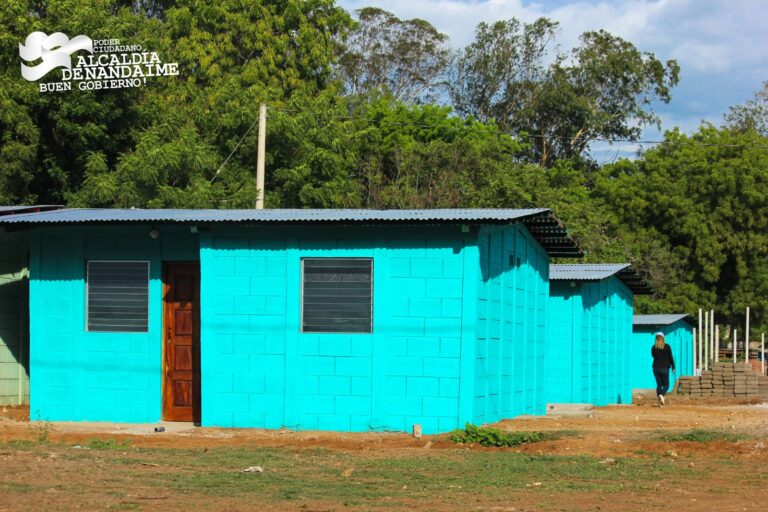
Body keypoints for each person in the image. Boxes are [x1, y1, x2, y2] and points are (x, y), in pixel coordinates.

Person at [651, 332, 675, 406]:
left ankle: (660, 403)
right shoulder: (667, 346)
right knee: (666, 385)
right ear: (663, 338)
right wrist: (673, 367)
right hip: (664, 368)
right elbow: (671, 357)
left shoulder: (653, 347)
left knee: (659, 385)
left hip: (656, 368)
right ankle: (661, 395)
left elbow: (653, 356)